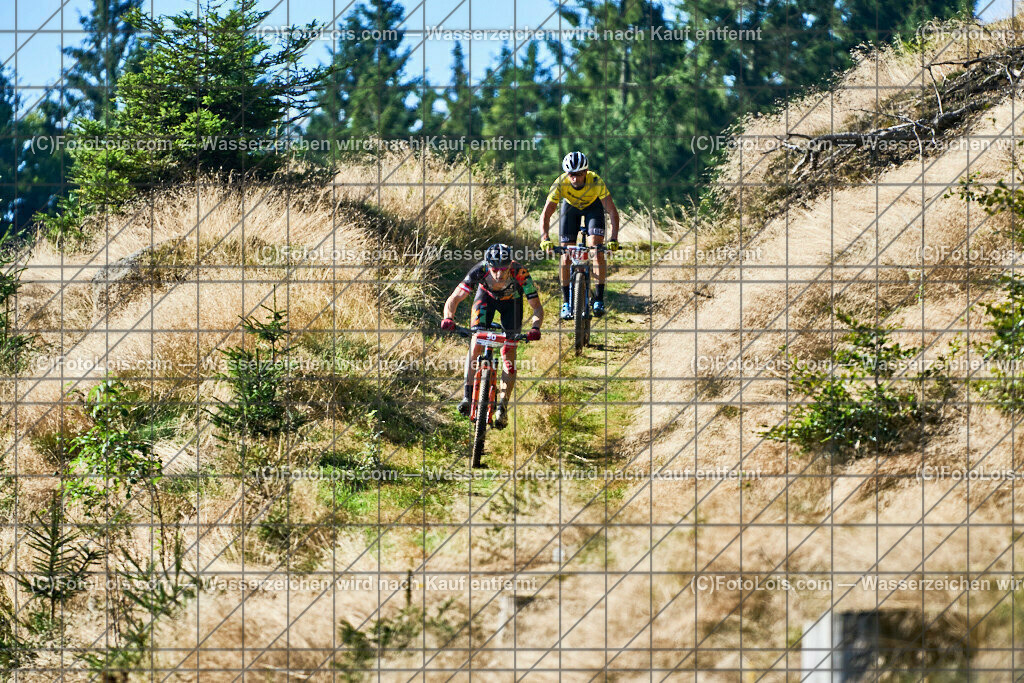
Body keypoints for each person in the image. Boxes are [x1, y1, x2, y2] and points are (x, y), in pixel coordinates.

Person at [440, 243, 543, 430]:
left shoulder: (520, 273)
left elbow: (536, 306)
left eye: (503, 269)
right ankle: (467, 396)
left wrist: (535, 328)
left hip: (512, 304)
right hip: (485, 299)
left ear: (510, 265)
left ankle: (503, 405)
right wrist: (448, 318)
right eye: (494, 269)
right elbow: (455, 298)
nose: (499, 274)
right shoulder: (480, 270)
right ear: (488, 265)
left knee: (509, 351)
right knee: (476, 342)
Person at [538, 151, 620, 320]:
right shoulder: (560, 183)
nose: (575, 179)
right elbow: (546, 214)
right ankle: (567, 302)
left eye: (579, 174)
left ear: (586, 172)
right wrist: (544, 238)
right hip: (570, 209)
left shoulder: (595, 181)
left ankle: (599, 299)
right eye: (571, 175)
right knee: (566, 255)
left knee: (596, 249)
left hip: (593, 208)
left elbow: (612, 211)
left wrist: (613, 239)